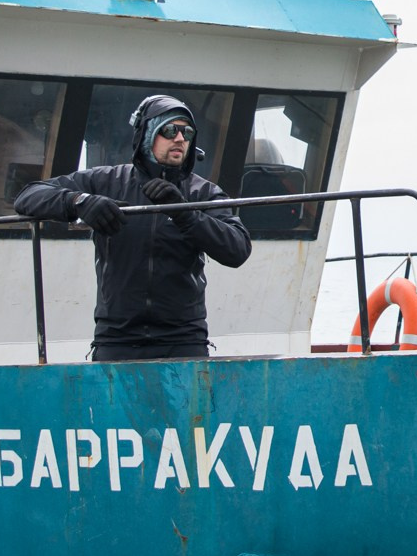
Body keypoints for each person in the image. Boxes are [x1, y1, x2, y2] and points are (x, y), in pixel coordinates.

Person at [14, 94, 252, 360]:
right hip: (116, 338)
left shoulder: (204, 192)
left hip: (184, 339)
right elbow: (28, 196)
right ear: (147, 136)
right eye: (169, 130)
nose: (180, 138)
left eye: (187, 132)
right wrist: (79, 202)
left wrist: (184, 212)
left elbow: (237, 249)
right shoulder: (107, 181)